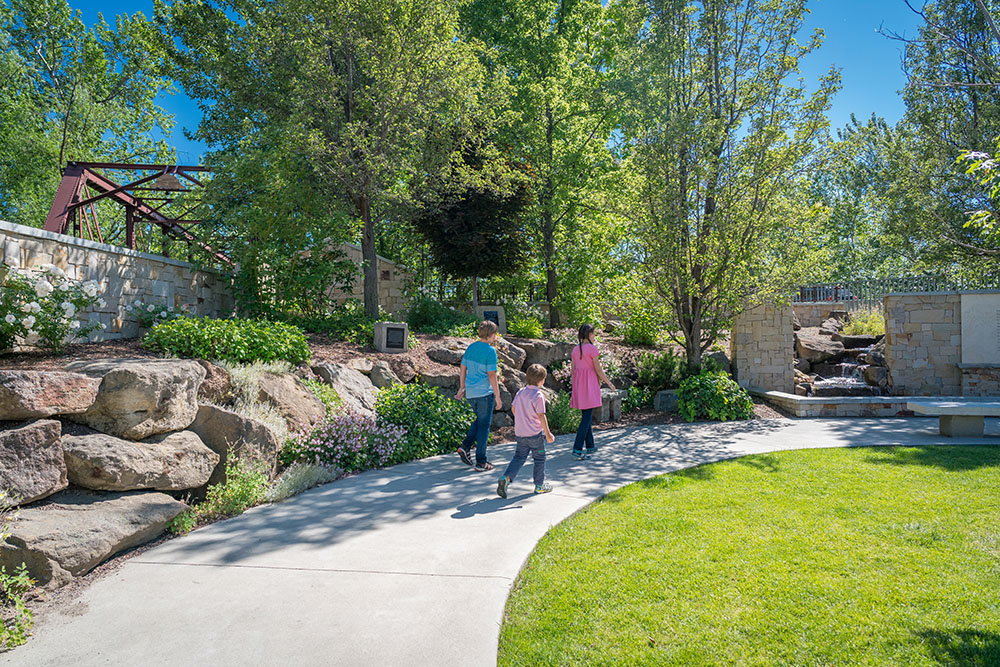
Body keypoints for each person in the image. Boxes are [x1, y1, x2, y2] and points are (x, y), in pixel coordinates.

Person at [497, 364, 555, 497]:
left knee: (519, 458)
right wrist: (548, 433)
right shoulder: (538, 395)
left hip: (521, 434)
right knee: (539, 459)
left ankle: (506, 478)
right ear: (541, 380)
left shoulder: (521, 392)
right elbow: (541, 415)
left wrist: (522, 419)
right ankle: (539, 485)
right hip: (535, 435)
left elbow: (513, 409)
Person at [455, 320, 503, 471]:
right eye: (495, 333)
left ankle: (465, 447)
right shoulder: (490, 351)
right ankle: (481, 462)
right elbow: (492, 374)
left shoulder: (471, 347)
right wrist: (498, 396)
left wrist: (462, 387)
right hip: (484, 393)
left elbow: (462, 368)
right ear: (492, 335)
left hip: (471, 393)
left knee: (479, 422)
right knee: (484, 427)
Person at [570, 323, 615, 460]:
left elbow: (573, 371)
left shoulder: (575, 349)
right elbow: (598, 370)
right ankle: (577, 448)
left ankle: (590, 445)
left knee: (586, 415)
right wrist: (609, 383)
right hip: (589, 385)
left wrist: (575, 387)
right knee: (586, 417)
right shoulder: (592, 349)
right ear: (589, 335)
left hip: (579, 386)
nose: (594, 336)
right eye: (594, 334)